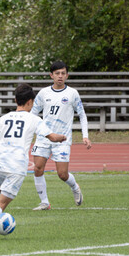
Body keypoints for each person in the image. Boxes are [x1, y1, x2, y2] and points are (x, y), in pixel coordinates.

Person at [0, 84, 66, 242]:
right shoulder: (34, 119)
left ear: (15, 100)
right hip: (16, 166)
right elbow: (52, 137)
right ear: (30, 102)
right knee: (2, 203)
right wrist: (62, 137)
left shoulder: (4, 118)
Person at [30, 61, 92, 210]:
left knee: (62, 174)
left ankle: (75, 187)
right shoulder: (44, 93)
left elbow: (82, 115)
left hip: (63, 140)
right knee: (38, 168)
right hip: (44, 137)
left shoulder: (72, 93)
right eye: (57, 73)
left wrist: (85, 135)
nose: (60, 76)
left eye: (63, 73)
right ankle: (45, 202)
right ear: (51, 75)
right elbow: (32, 114)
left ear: (67, 75)